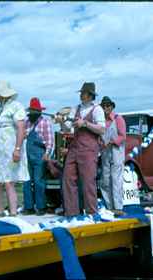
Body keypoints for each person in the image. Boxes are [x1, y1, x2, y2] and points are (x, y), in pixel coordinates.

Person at [55, 82, 105, 216]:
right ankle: (72, 213)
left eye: (83, 93)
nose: (81, 95)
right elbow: (68, 128)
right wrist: (61, 121)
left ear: (90, 96)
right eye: (81, 93)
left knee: (88, 181)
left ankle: (91, 213)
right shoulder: (75, 108)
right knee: (67, 178)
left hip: (89, 150)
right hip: (74, 148)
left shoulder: (97, 109)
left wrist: (85, 123)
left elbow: (102, 129)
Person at [0, 80, 29, 217]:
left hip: (9, 146)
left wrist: (17, 148)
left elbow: (21, 127)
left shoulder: (16, 106)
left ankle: (13, 212)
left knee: (9, 180)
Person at [22, 98, 54, 216]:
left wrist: (47, 153)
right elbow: (21, 136)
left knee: (38, 180)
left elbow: (50, 140)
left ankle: (41, 207)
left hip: (40, 154)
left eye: (35, 111)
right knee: (26, 181)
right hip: (26, 154)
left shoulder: (45, 122)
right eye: (32, 111)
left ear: (39, 112)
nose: (33, 114)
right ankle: (28, 207)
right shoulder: (26, 122)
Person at [99, 96, 126, 215]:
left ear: (112, 106)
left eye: (108, 105)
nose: (106, 108)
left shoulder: (118, 119)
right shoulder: (100, 121)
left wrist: (111, 141)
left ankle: (118, 207)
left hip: (116, 151)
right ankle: (109, 207)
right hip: (105, 152)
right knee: (105, 179)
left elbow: (122, 136)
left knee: (116, 179)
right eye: (104, 106)